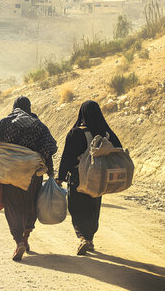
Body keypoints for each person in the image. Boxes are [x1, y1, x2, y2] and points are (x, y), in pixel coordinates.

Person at [0, 96, 57, 261]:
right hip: (32, 174)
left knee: (13, 206)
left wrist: (2, 153)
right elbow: (50, 148)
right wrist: (50, 171)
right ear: (29, 107)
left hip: (11, 173)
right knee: (31, 203)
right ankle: (26, 238)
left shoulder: (6, 122)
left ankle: (18, 241)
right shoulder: (38, 125)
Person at [57, 100, 122, 256]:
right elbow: (118, 148)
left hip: (78, 177)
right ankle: (90, 238)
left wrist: (60, 177)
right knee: (93, 207)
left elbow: (67, 156)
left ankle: (83, 237)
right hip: (99, 178)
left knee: (76, 207)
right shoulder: (106, 133)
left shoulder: (76, 132)